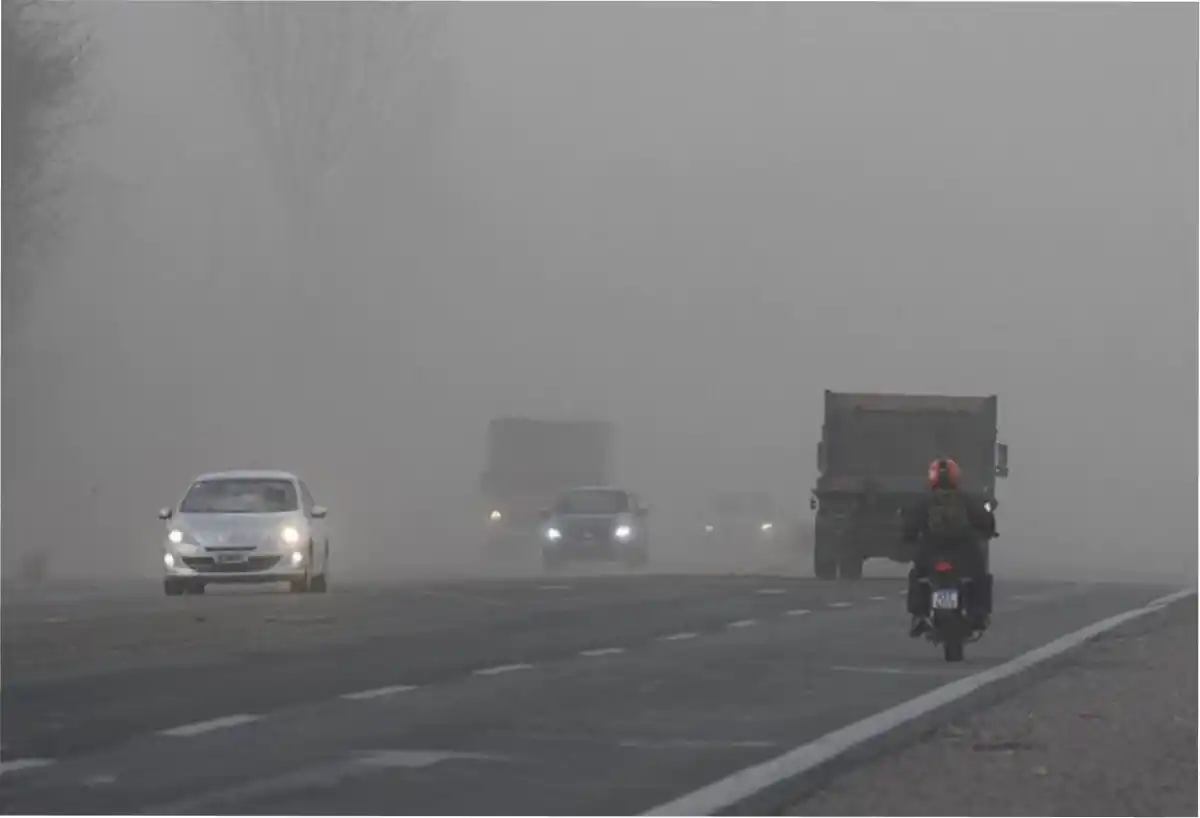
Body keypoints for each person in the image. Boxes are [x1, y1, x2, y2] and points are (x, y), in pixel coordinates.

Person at [901, 458, 996, 637]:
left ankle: (919, 615)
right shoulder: (967, 499)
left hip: (931, 552)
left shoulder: (924, 501)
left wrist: (909, 538)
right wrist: (988, 532)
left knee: (918, 577)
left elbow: (910, 526)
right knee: (980, 577)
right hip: (964, 551)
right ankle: (979, 613)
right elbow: (985, 521)